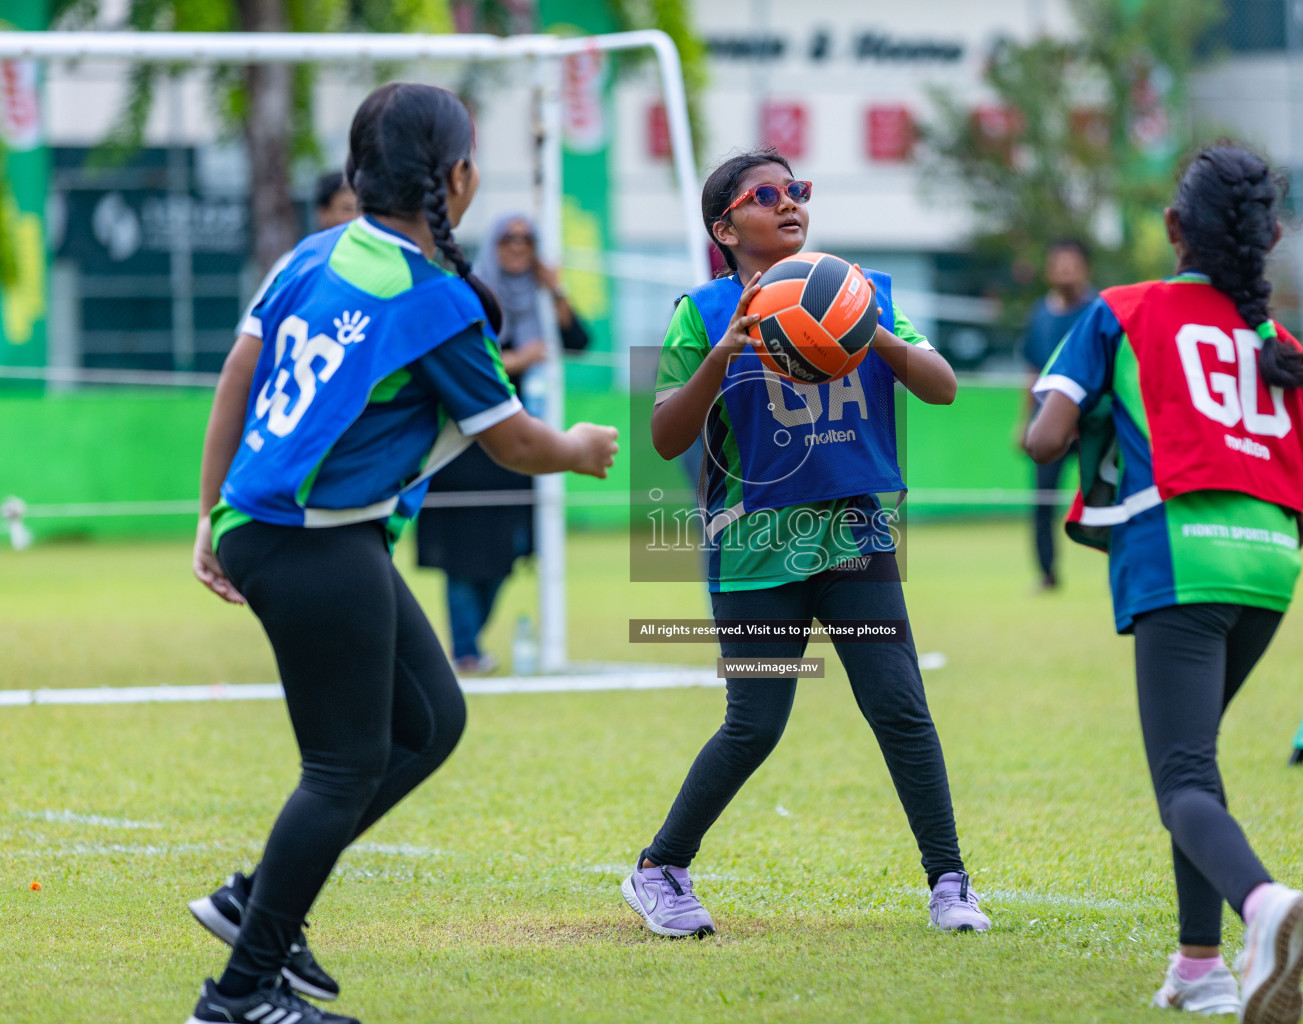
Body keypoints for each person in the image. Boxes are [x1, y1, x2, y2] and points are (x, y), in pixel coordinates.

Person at [184, 82, 619, 1024]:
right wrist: (581, 449)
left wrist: (209, 511)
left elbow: (239, 373)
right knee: (343, 767)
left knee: (431, 724)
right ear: (458, 177)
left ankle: (252, 903)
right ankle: (241, 994)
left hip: (281, 533)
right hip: (316, 545)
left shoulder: (315, 253)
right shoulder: (436, 303)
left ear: (358, 173)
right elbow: (514, 442)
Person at [623, 148, 990, 939]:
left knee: (899, 705)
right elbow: (662, 436)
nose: (791, 203)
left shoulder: (862, 291)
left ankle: (950, 881)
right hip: (755, 544)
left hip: (853, 532)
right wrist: (722, 357)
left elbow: (942, 383)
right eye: (768, 194)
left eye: (800, 190)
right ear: (726, 226)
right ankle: (660, 869)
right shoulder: (702, 312)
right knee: (755, 723)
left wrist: (874, 333)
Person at [1026, 143, 1303, 1022]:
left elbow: (1045, 442)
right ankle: (1200, 967)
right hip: (1271, 567)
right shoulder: (1279, 342)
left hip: (1180, 560)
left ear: (1172, 229)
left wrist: (1097, 425)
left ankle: (1264, 906)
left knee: (1183, 780)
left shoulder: (1121, 310)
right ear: (1266, 237)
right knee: (1193, 766)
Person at [415, 212, 591, 674]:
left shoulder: (537, 296)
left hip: (519, 443)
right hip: (464, 443)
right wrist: (519, 360)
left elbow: (578, 342)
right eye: (508, 238)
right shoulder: (467, 293)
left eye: (527, 239)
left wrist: (555, 289)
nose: (517, 246)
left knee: (504, 551)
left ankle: (471, 643)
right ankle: (466, 650)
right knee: (459, 553)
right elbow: (460, 362)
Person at [1016, 239, 1097, 590]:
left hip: (1093, 424)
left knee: (1111, 493)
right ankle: (1047, 573)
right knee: (1042, 502)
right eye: (1059, 263)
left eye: (1072, 263)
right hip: (1049, 428)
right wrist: (1026, 422)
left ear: (1084, 268)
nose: (1065, 269)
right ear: (1050, 269)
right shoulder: (1039, 314)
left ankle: (1121, 567)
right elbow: (1033, 369)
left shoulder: (1098, 311)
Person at [239, 170, 359, 330]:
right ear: (323, 213)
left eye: (362, 209)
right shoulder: (296, 262)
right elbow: (253, 330)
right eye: (348, 209)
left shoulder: (379, 266)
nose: (357, 218)